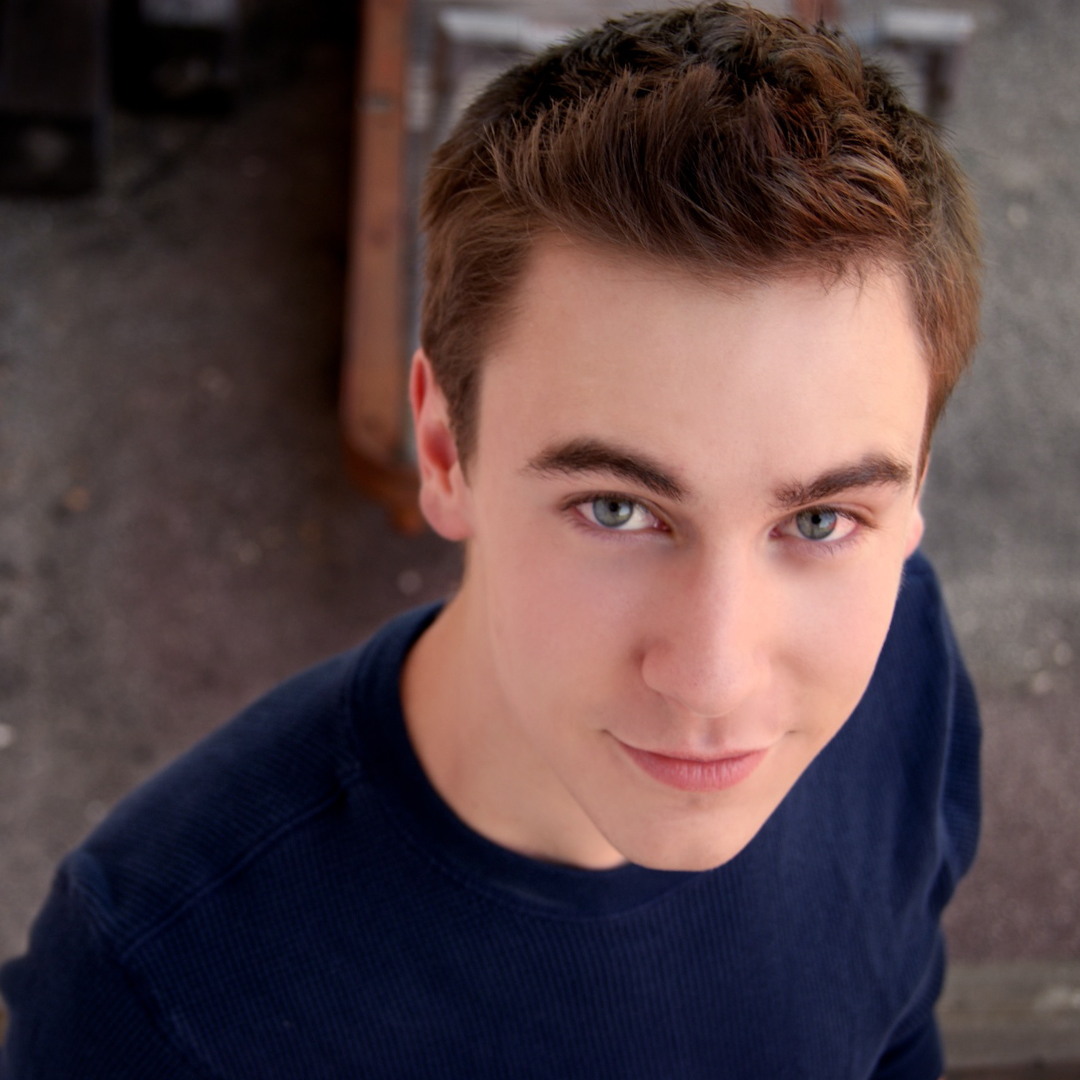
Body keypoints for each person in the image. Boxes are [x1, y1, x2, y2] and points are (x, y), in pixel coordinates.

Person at [0, 3, 981, 1077]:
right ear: (442, 448)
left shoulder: (907, 664)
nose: (712, 678)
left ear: (915, 490)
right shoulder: (158, 991)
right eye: (618, 508)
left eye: (820, 521)